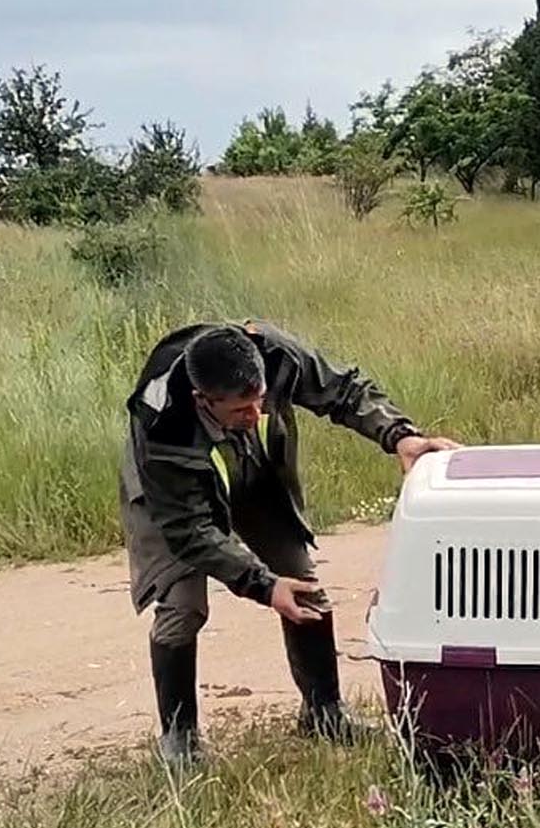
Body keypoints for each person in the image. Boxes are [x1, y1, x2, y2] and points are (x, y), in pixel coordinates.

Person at [120, 319, 458, 766]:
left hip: (251, 467)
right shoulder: (161, 420)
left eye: (260, 400)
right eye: (243, 408)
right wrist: (262, 586)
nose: (256, 415)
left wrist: (400, 435)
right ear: (205, 400)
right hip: (177, 493)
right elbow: (190, 533)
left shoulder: (272, 353)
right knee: (182, 607)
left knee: (303, 585)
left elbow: (343, 390)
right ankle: (180, 739)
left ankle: (324, 711)